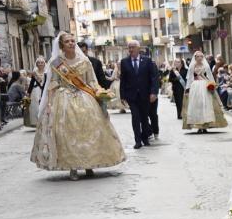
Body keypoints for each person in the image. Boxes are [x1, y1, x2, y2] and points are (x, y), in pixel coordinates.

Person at [31, 32, 126, 180]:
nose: (71, 43)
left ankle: (89, 165)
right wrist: (49, 103)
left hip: (85, 97)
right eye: (67, 41)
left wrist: (100, 93)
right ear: (62, 45)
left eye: (72, 40)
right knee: (68, 134)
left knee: (89, 132)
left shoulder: (85, 61)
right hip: (63, 100)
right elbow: (52, 84)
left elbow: (92, 81)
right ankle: (72, 167)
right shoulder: (56, 63)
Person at [118, 40, 159, 149]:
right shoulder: (124, 62)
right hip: (131, 96)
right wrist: (122, 96)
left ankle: (145, 138)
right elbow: (123, 80)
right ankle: (138, 141)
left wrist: (154, 92)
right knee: (135, 117)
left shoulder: (147, 61)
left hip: (145, 95)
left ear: (138, 48)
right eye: (129, 47)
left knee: (144, 118)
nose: (131, 50)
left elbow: (154, 78)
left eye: (133, 47)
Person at [182, 51, 227, 133]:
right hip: (195, 86)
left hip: (204, 85)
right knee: (197, 104)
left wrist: (212, 85)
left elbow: (210, 76)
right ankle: (198, 125)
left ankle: (206, 124)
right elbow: (190, 78)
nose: (199, 58)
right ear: (195, 57)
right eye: (198, 56)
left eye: (201, 56)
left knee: (206, 104)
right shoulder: (192, 66)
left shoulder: (205, 65)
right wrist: (188, 88)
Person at [26, 57, 47, 127]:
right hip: (36, 91)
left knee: (45, 106)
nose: (40, 64)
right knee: (36, 107)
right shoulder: (34, 73)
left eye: (42, 62)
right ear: (36, 64)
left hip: (45, 91)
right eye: (39, 63)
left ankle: (45, 122)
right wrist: (28, 93)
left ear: (44, 64)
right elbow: (31, 83)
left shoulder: (47, 72)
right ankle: (38, 122)